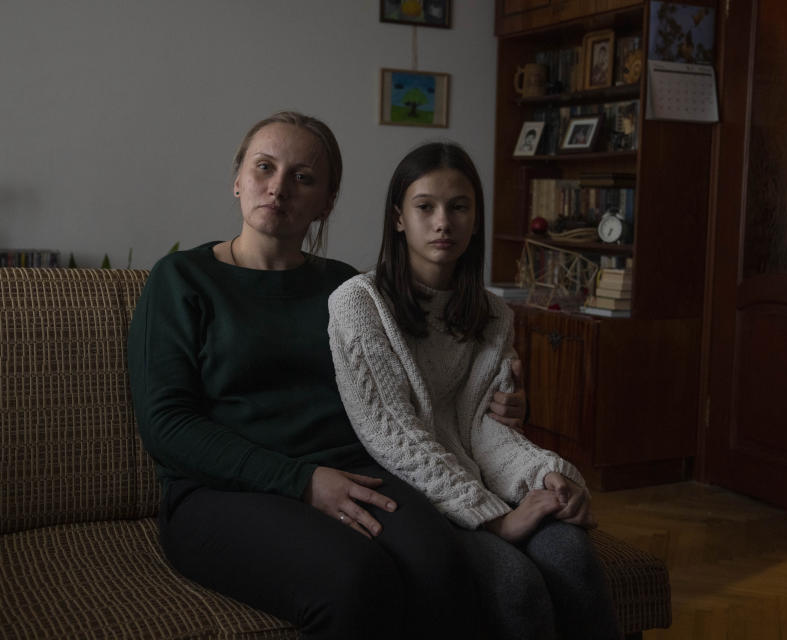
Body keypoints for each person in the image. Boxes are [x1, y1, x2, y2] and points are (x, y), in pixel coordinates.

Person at [126, 112, 525, 639]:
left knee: (441, 563)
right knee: (356, 579)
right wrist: (302, 481)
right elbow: (166, 425)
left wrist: (499, 395)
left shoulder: (349, 289)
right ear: (238, 179)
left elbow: (422, 380)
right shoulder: (180, 280)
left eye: (304, 177)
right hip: (219, 493)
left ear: (327, 202)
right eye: (264, 167)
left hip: (356, 470)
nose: (279, 187)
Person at [328, 141, 621, 640]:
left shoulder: (493, 314)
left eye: (459, 207)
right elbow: (393, 438)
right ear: (399, 218)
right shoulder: (359, 303)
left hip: (475, 482)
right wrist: (493, 521)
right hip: (407, 495)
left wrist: (543, 475)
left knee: (572, 555)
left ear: (477, 218)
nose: (444, 222)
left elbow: (483, 432)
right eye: (426, 207)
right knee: (514, 584)